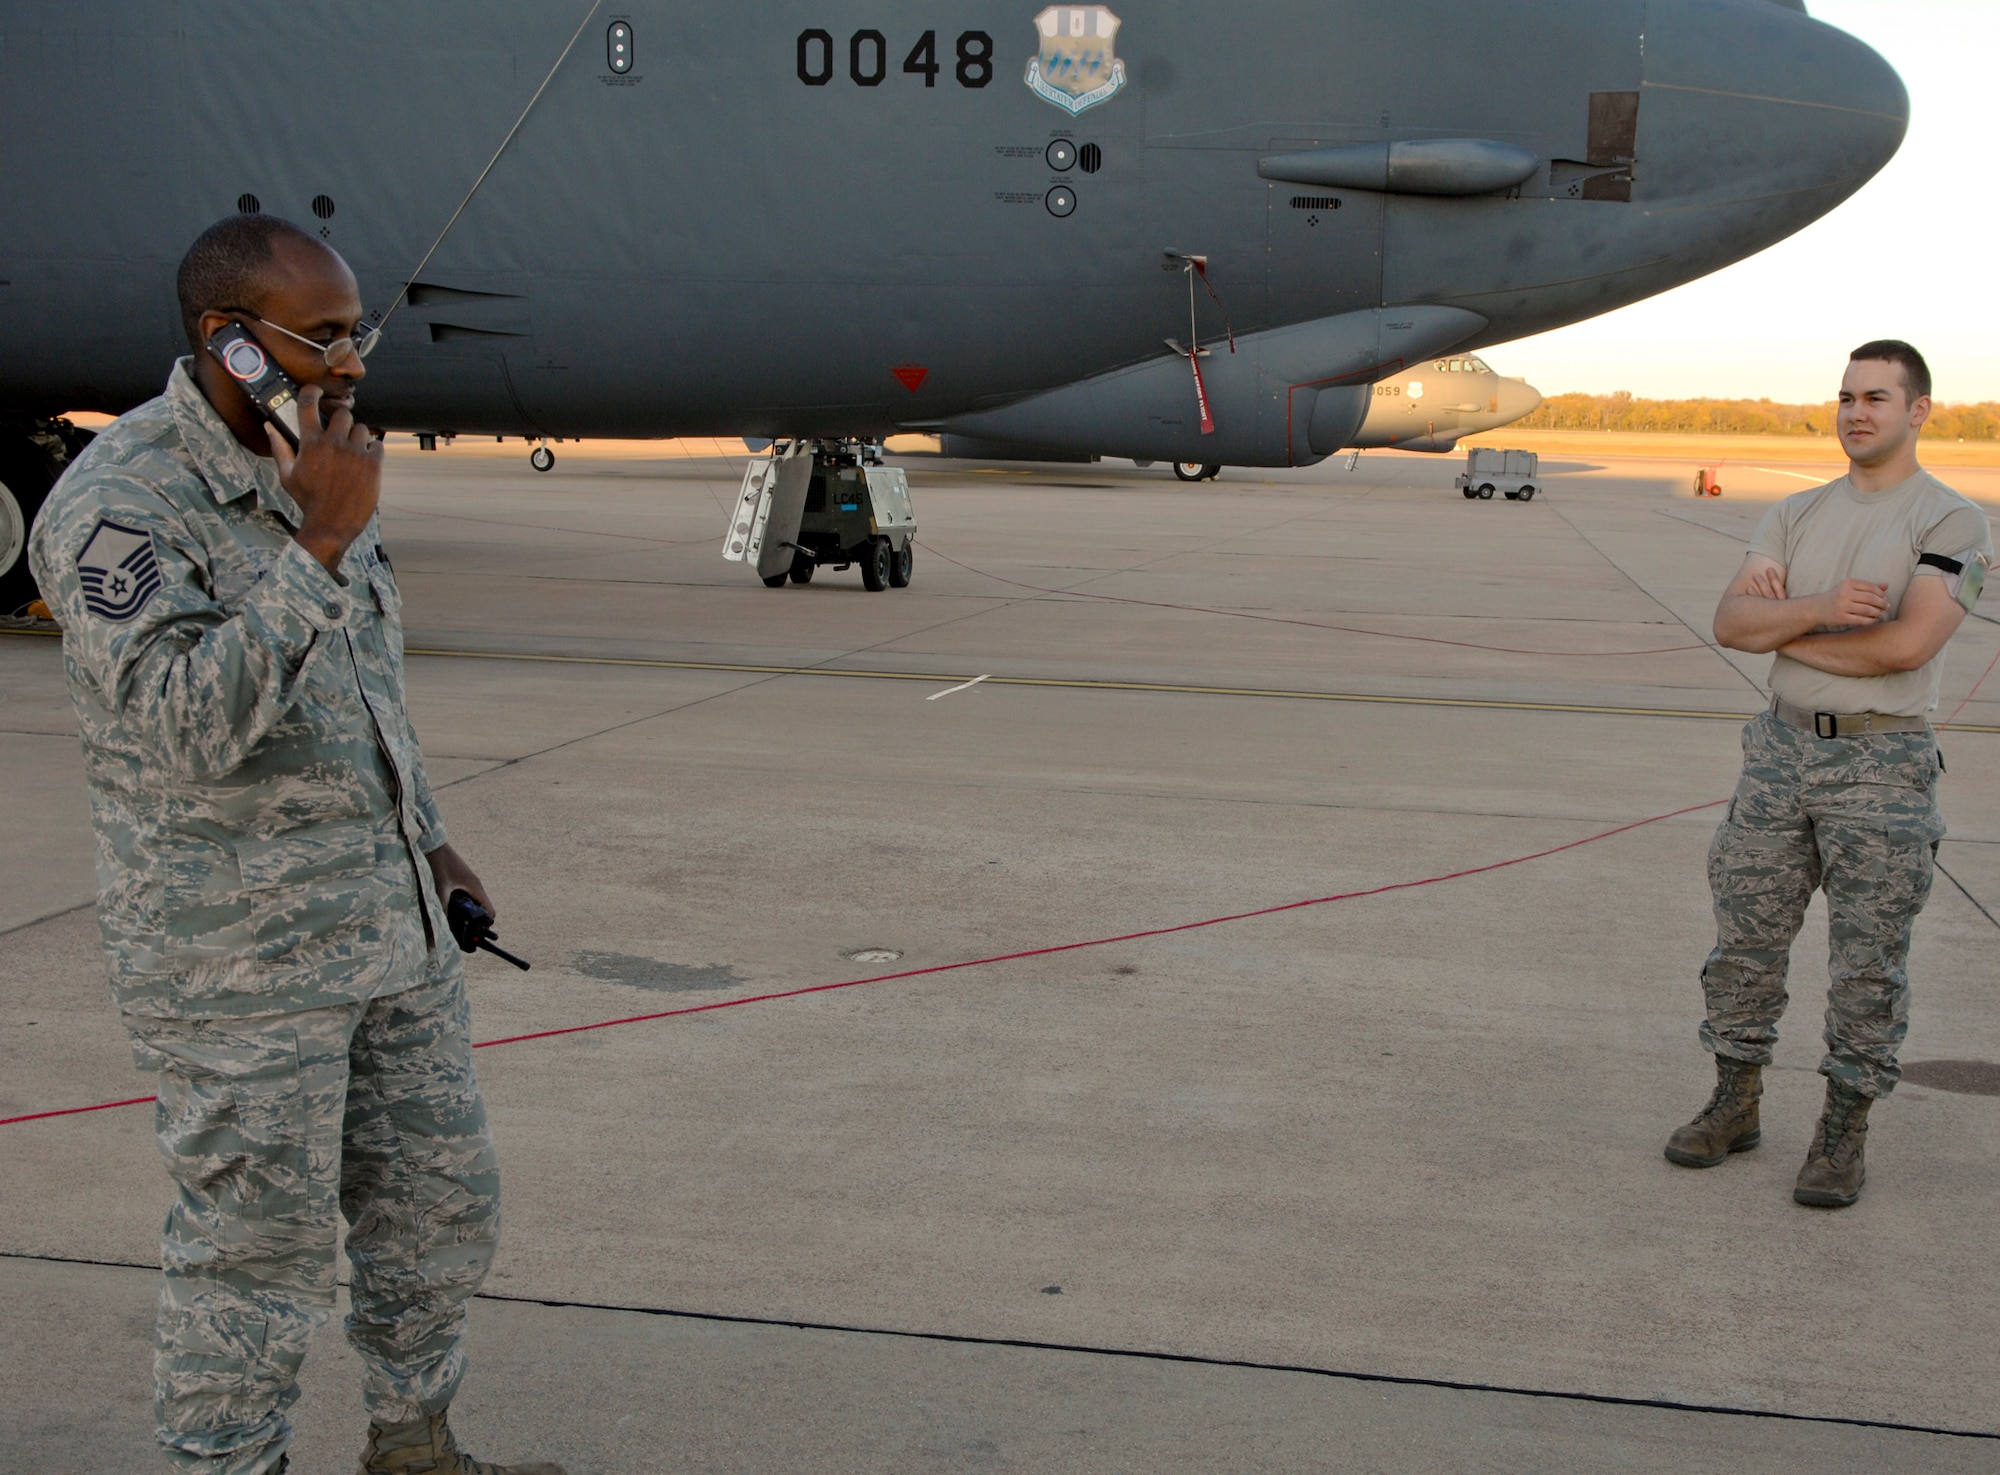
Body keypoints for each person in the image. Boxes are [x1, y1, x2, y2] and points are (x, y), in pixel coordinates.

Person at [27, 215, 561, 1475]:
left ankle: (414, 1445)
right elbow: (184, 723)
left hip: (388, 928)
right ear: (232, 342)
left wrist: (428, 841)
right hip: (239, 970)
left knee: (437, 1213)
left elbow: (365, 679)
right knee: (251, 1256)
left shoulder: (315, 459)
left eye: (354, 331)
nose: (352, 363)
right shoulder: (117, 507)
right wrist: (315, 545)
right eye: (320, 338)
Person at [1665, 340, 1991, 1209]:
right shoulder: (1795, 514)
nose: (1856, 411)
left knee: (1867, 962)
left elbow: (1905, 643)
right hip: (1779, 753)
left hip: (1881, 762)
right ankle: (1735, 1102)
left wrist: (1778, 628)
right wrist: (1810, 611)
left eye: (1878, 397)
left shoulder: (1951, 522)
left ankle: (1842, 1132)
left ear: (1918, 411)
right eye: (1846, 395)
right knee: (1745, 939)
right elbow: (1731, 622)